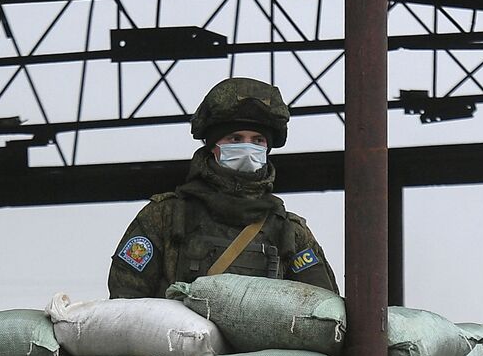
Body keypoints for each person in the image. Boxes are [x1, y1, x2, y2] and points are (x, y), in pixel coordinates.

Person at [107, 77, 339, 298]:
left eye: (258, 140)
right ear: (213, 146)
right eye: (235, 139)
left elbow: (321, 307)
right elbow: (127, 298)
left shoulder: (290, 231)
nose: (247, 148)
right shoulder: (165, 216)